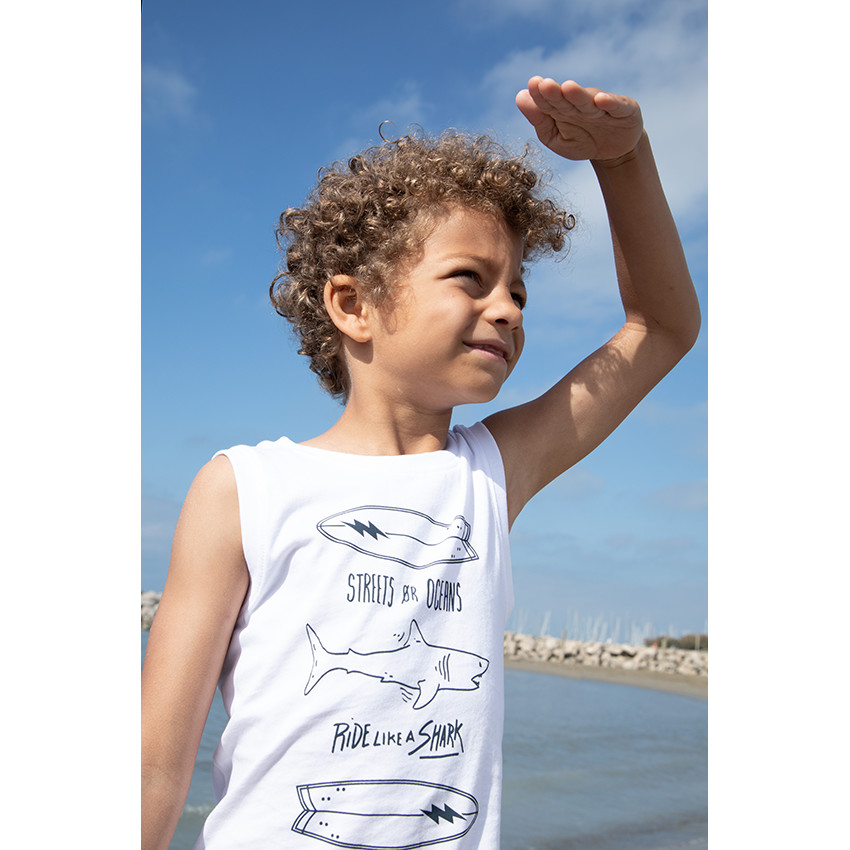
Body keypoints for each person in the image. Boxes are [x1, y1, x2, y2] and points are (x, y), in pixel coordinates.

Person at [141, 76, 701, 850]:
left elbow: (662, 327)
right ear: (353, 305)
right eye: (471, 278)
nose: (508, 308)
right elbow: (155, 768)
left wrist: (624, 159)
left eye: (519, 292)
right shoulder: (244, 488)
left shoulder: (491, 473)